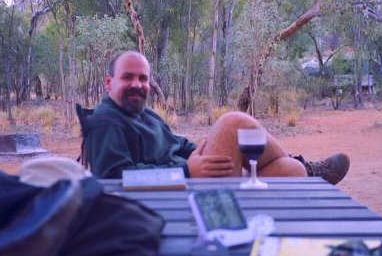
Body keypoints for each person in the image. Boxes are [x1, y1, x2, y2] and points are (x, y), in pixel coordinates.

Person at [85, 51, 350, 185]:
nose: (137, 84)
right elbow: (115, 179)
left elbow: (175, 144)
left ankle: (306, 170)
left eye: (143, 78)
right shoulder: (104, 121)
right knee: (233, 123)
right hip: (177, 197)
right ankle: (311, 168)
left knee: (292, 173)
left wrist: (198, 151)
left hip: (187, 181)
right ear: (109, 82)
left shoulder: (143, 114)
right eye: (127, 77)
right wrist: (186, 170)